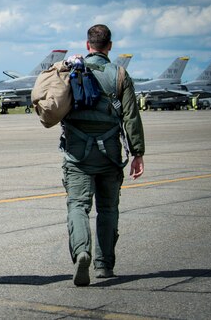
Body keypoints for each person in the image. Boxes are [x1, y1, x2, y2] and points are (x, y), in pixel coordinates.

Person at [60, 25, 145, 287]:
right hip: (109, 153)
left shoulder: (70, 71)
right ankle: (104, 265)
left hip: (77, 155)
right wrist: (137, 153)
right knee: (108, 209)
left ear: (88, 46)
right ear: (109, 46)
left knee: (78, 206)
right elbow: (130, 115)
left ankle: (82, 251)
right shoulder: (120, 74)